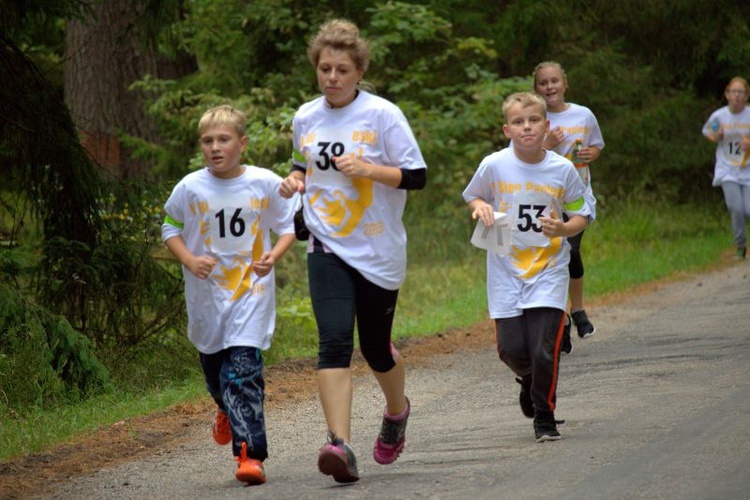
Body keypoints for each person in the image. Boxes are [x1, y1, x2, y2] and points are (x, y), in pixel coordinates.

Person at [278, 19, 427, 483]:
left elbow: (416, 176)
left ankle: (396, 411)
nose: (332, 78)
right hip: (326, 244)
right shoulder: (306, 116)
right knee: (334, 342)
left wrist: (368, 168)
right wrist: (294, 181)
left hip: (378, 247)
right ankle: (339, 445)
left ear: (359, 71)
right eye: (325, 68)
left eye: (342, 69)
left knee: (376, 349)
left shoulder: (383, 115)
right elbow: (303, 166)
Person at [162, 105, 298, 485]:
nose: (215, 148)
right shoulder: (189, 187)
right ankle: (223, 407)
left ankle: (249, 455)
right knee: (215, 373)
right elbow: (169, 228)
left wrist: (275, 255)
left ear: (242, 143)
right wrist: (189, 259)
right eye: (207, 141)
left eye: (223, 140)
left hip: (251, 295)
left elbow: (288, 224)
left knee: (242, 375)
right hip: (207, 299)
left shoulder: (263, 182)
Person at [462, 91, 591, 442]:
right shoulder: (494, 165)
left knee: (543, 348)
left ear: (546, 126)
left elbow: (582, 213)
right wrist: (480, 207)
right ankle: (530, 380)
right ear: (507, 129)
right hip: (505, 267)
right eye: (518, 122)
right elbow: (472, 194)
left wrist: (564, 228)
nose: (527, 127)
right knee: (511, 349)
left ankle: (544, 417)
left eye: (534, 120)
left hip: (549, 266)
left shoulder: (562, 169)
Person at [533, 61, 604, 344]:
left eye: (554, 81)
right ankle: (560, 318)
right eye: (543, 83)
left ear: (564, 83)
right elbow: (523, 153)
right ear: (536, 87)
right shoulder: (535, 117)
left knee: (570, 251)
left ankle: (578, 310)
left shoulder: (583, 114)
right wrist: (546, 143)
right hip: (546, 199)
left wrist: (590, 154)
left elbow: (597, 145)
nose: (549, 87)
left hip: (577, 197)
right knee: (552, 258)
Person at [702, 76, 750, 260]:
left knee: (748, 209)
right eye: (734, 92)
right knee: (735, 207)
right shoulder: (719, 116)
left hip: (747, 169)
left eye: (741, 92)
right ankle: (740, 245)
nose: (737, 96)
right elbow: (708, 132)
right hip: (727, 168)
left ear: (746, 96)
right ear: (727, 94)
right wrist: (717, 135)